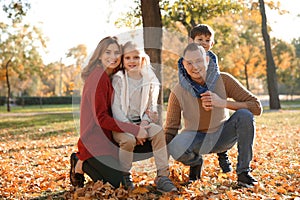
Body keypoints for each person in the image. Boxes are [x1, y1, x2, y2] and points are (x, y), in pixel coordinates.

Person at [165, 43, 262, 188]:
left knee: (244, 115)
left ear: (207, 60)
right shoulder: (178, 91)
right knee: (175, 146)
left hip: (223, 135)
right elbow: (171, 129)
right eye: (189, 63)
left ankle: (243, 173)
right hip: (196, 139)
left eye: (198, 60)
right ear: (183, 64)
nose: (195, 66)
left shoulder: (223, 79)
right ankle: (196, 163)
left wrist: (222, 102)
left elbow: (256, 107)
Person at [69, 36, 149, 189]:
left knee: (149, 140)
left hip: (110, 137)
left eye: (116, 53)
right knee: (116, 184)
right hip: (94, 142)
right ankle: (80, 162)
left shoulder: (111, 76)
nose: (113, 57)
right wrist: (134, 129)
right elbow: (101, 118)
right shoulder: (98, 78)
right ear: (99, 55)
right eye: (108, 52)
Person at [111, 41, 177, 193]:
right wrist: (133, 129)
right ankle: (125, 175)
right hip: (122, 124)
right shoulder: (119, 79)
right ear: (123, 59)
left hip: (142, 123)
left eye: (136, 57)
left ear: (142, 59)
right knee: (128, 139)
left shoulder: (149, 79)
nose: (132, 61)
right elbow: (116, 108)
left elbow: (151, 105)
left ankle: (162, 176)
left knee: (158, 131)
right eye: (128, 58)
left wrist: (145, 123)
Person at [185, 24, 232, 181]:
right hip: (195, 101)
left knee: (218, 127)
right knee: (196, 131)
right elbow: (183, 78)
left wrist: (207, 93)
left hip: (212, 97)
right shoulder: (185, 60)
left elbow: (214, 77)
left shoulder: (212, 59)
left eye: (207, 40)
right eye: (200, 39)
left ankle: (223, 157)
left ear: (212, 44)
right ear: (191, 41)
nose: (204, 42)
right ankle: (194, 170)